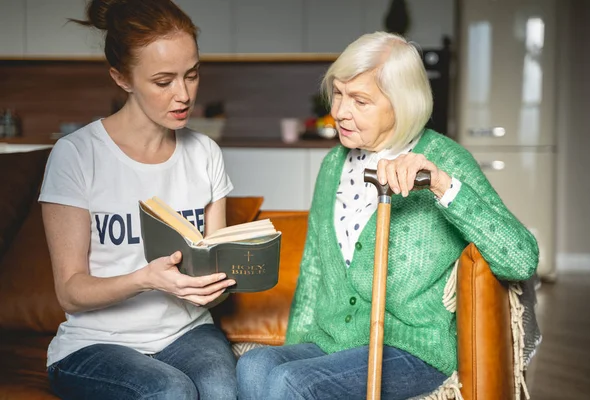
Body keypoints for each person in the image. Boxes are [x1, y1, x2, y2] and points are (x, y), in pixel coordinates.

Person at [236, 31, 539, 400]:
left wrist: (441, 184)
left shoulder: (444, 160)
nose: (340, 112)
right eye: (338, 93)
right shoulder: (334, 164)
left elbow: (520, 258)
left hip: (409, 350)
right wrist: (296, 350)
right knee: (255, 366)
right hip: (333, 342)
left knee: (290, 382)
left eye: (360, 100)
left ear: (401, 104)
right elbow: (314, 270)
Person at [39, 1, 238, 399]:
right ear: (122, 77)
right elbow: (70, 291)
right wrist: (145, 279)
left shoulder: (205, 153)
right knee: (169, 390)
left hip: (187, 332)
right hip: (95, 342)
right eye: (163, 81)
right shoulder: (76, 154)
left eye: (192, 75)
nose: (183, 94)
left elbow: (216, 265)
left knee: (222, 390)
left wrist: (218, 285)